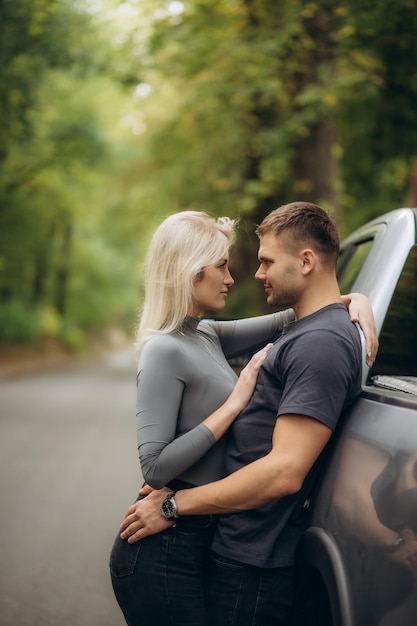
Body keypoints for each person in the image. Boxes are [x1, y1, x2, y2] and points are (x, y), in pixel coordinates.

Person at [111, 207, 378, 626]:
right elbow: (155, 466)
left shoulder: (207, 333)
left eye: (263, 262)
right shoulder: (165, 348)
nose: (236, 277)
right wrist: (233, 404)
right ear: (190, 270)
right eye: (221, 266)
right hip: (162, 541)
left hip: (197, 532)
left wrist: (359, 300)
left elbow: (302, 311)